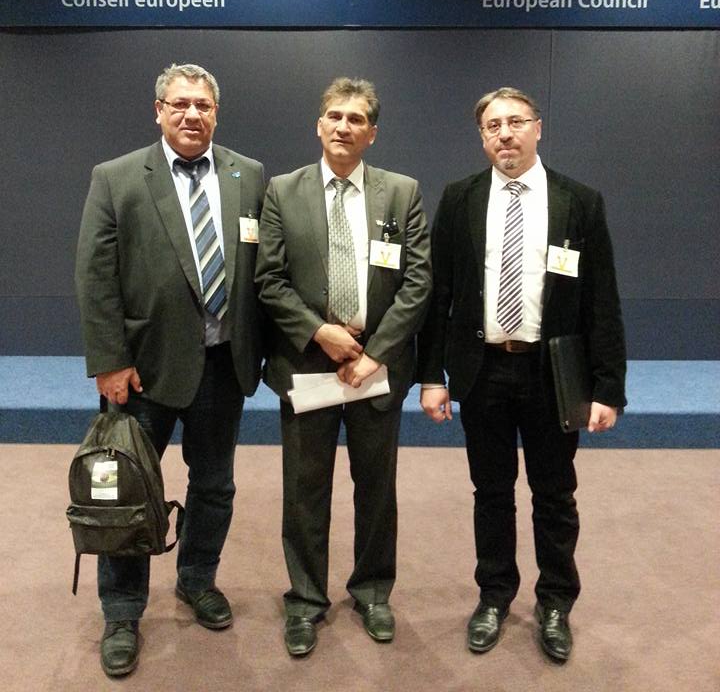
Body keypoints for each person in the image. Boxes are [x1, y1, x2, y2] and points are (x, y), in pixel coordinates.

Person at [418, 86, 626, 662]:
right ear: (482, 136)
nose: (504, 134)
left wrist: (608, 387)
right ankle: (494, 596)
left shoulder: (579, 202)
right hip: (481, 370)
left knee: (555, 495)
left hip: (551, 374)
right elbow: (438, 295)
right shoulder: (459, 198)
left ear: (538, 128)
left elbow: (602, 302)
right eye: (492, 125)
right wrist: (431, 376)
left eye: (515, 122)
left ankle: (555, 602)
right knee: (491, 493)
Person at [75, 63, 265, 678]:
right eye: (180, 104)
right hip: (142, 371)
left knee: (215, 486)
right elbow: (95, 276)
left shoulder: (248, 175)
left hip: (222, 365)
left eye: (203, 105)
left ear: (216, 113)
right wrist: (109, 360)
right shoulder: (117, 177)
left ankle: (197, 579)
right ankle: (122, 610)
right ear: (158, 110)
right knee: (124, 494)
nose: (192, 115)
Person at [255, 77, 432, 657]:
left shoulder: (401, 193)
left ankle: (373, 593)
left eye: (356, 119)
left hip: (375, 368)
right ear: (319, 125)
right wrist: (319, 332)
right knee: (304, 491)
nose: (343, 126)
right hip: (308, 365)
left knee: (376, 489)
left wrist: (375, 353)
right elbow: (269, 279)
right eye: (334, 116)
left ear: (372, 133)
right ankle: (305, 600)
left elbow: (417, 282)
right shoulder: (283, 191)